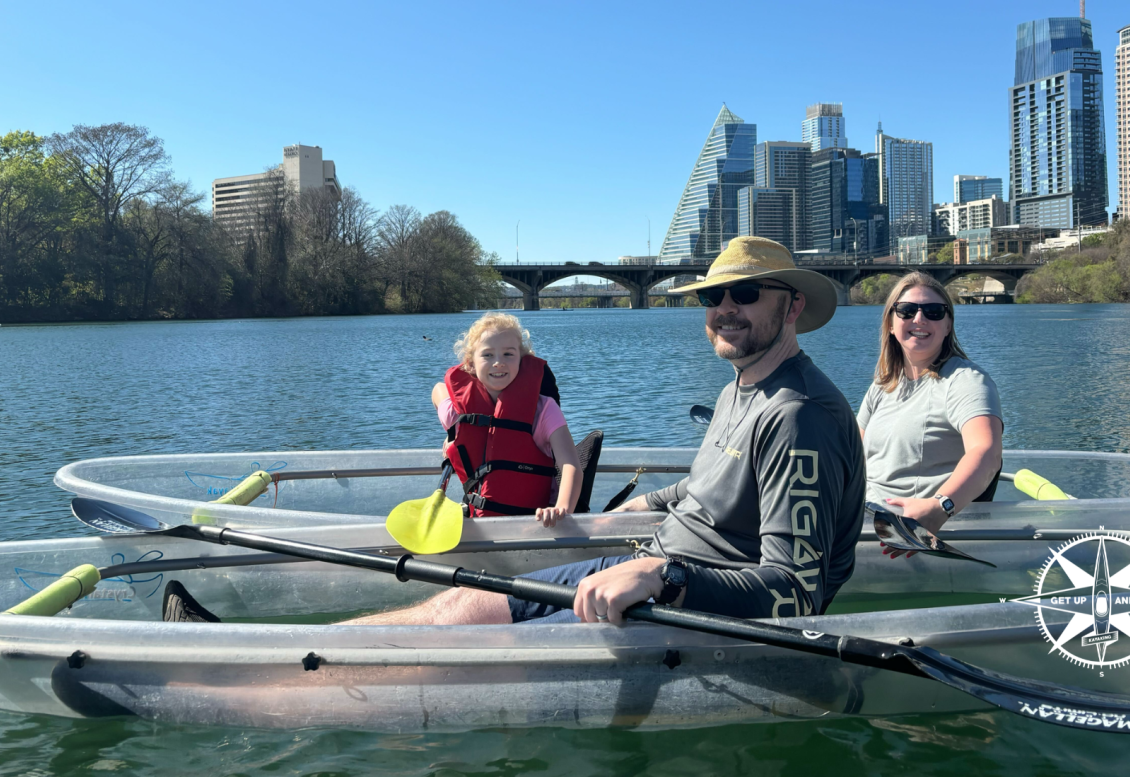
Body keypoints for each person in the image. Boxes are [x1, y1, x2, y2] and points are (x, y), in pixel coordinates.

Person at [324, 236, 864, 628]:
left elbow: (797, 594)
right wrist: (641, 504)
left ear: (792, 306)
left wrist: (666, 578)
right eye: (711, 297)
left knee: (456, 655)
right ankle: (292, 651)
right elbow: (710, 488)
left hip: (682, 608)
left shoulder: (801, 416)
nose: (725, 309)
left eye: (744, 293)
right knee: (457, 609)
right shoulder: (739, 388)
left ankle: (285, 688)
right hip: (647, 567)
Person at [859, 271, 1003, 535]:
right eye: (906, 310)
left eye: (934, 311)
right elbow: (851, 456)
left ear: (948, 325)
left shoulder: (966, 381)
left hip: (918, 537)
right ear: (890, 323)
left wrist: (940, 506)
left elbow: (986, 452)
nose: (919, 319)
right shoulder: (882, 385)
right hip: (865, 527)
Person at [434, 312, 582, 527]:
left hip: (538, 523)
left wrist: (561, 509)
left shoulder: (544, 410)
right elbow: (438, 390)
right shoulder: (457, 414)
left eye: (508, 354)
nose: (498, 363)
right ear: (471, 365)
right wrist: (451, 434)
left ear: (522, 361)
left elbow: (571, 465)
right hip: (482, 527)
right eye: (487, 355)